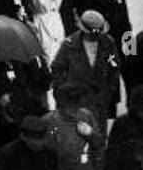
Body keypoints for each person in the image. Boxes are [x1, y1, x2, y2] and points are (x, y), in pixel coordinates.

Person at [51, 10, 121, 140]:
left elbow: (115, 69)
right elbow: (57, 69)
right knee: (75, 141)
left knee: (98, 140)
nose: (95, 36)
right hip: (76, 103)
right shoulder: (69, 44)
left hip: (98, 103)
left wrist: (107, 94)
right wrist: (65, 94)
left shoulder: (108, 42)